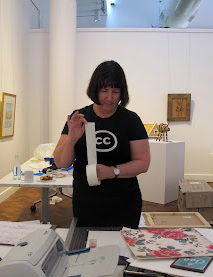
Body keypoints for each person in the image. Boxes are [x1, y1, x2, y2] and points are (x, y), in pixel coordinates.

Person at [53, 60, 150, 228]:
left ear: (122, 93)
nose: (109, 98)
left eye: (115, 91)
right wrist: (72, 139)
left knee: (123, 250)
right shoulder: (79, 117)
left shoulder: (131, 120)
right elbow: (61, 162)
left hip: (124, 202)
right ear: (95, 89)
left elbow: (143, 163)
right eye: (104, 90)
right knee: (86, 249)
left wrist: (112, 172)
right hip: (86, 202)